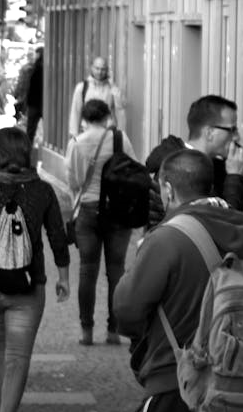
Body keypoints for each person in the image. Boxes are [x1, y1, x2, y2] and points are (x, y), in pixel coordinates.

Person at [114, 149, 243, 412]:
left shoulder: (167, 239)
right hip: (233, 380)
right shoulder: (237, 227)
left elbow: (127, 311)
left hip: (178, 379)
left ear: (169, 190)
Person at [0, 127, 70, 412]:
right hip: (28, 284)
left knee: (1, 353)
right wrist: (63, 277)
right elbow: (58, 236)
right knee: (17, 358)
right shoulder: (42, 188)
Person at [65, 99, 137, 345]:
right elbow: (134, 169)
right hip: (118, 211)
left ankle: (86, 331)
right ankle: (113, 331)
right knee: (116, 269)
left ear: (84, 120)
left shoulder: (76, 144)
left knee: (87, 270)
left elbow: (72, 181)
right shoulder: (120, 139)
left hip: (88, 209)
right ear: (108, 117)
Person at [145, 95, 243, 227]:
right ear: (209, 133)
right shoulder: (175, 170)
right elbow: (224, 229)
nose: (237, 136)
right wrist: (234, 177)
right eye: (232, 129)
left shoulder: (220, 166)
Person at [68, 57, 126, 137]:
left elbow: (121, 106)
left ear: (107, 71)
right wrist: (74, 134)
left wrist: (113, 86)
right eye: (97, 68)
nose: (100, 72)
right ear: (91, 68)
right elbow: (76, 111)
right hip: (87, 132)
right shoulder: (82, 87)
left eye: (103, 69)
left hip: (108, 132)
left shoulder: (111, 88)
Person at [26, 48, 44, 141]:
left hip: (34, 102)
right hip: (43, 102)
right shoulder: (45, 68)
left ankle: (28, 149)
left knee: (31, 129)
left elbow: (30, 86)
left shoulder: (35, 68)